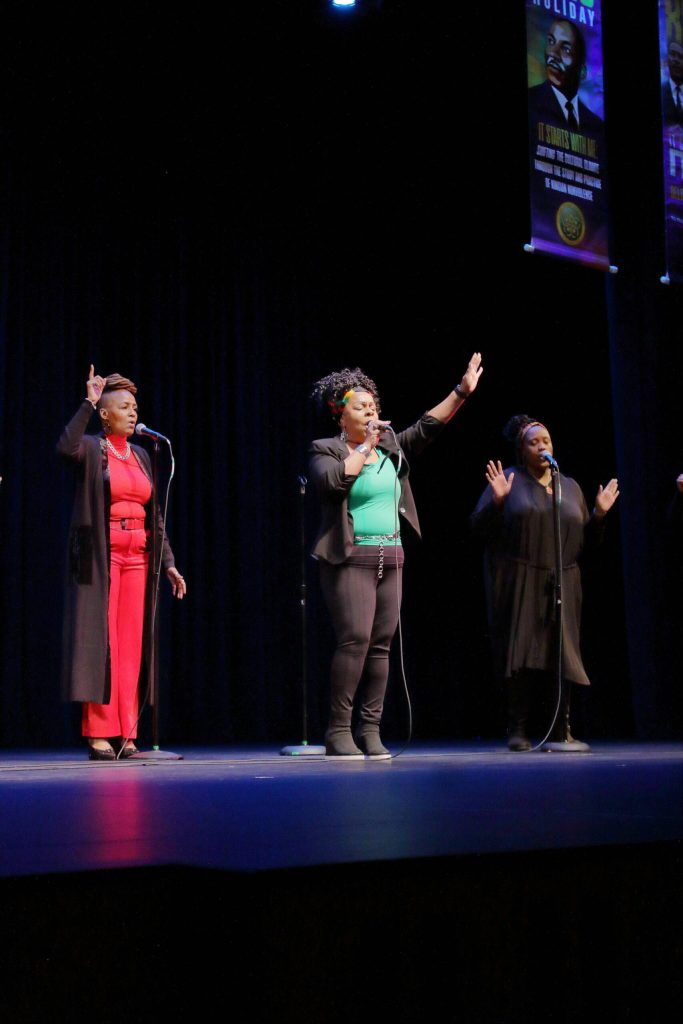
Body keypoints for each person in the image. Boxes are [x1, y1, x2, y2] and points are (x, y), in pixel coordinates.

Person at [309, 353, 483, 758]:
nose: (371, 410)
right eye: (361, 406)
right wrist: (366, 445)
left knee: (381, 645)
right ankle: (338, 731)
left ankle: (369, 729)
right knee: (354, 640)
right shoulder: (325, 450)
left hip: (393, 554)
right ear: (341, 416)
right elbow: (332, 483)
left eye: (374, 405)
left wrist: (461, 392)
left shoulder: (391, 448)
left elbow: (427, 427)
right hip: (350, 558)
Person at [57, 366, 186, 760]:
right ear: (106, 414)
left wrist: (168, 563)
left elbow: (156, 516)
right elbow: (65, 447)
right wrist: (88, 401)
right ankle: (99, 733)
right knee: (104, 644)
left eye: (135, 407)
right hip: (101, 557)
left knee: (132, 646)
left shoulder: (144, 455)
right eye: (124, 407)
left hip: (139, 557)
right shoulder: (93, 448)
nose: (133, 412)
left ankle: (127, 733)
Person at [471, 414, 618, 752]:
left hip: (564, 579)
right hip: (520, 578)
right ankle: (518, 727)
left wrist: (598, 516)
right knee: (521, 654)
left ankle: (560, 728)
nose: (541, 446)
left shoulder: (570, 486)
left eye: (546, 441)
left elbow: (586, 544)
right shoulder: (509, 479)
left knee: (562, 653)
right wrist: (496, 503)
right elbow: (479, 528)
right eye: (533, 443)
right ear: (521, 451)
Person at [528, 18, 602, 133]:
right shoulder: (531, 103)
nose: (553, 52)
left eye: (566, 49)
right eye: (551, 41)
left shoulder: (597, 127)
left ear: (582, 71)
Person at [662, 40, 683, 127]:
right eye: (673, 54)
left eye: (681, 57)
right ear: (667, 60)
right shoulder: (661, 90)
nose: (676, 60)